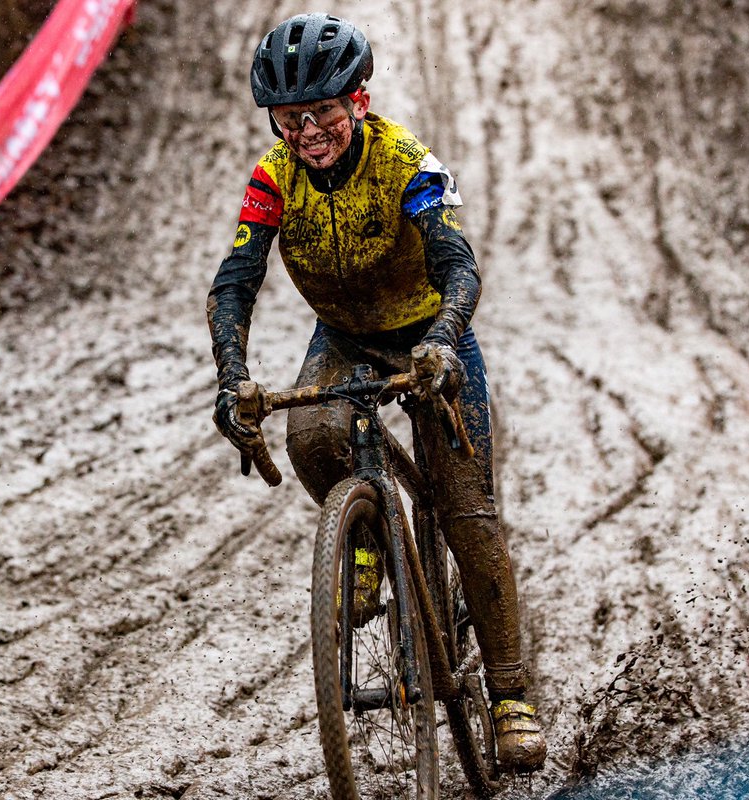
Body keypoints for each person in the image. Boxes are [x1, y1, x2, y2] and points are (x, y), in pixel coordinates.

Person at [206, 12, 547, 772]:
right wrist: (231, 377)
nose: (309, 132)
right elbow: (236, 281)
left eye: (323, 113)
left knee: (468, 512)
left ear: (357, 102)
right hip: (346, 336)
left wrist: (442, 340)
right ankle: (363, 540)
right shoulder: (275, 177)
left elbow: (460, 265)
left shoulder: (406, 163)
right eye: (291, 119)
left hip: (432, 332)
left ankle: (512, 693)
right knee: (312, 437)